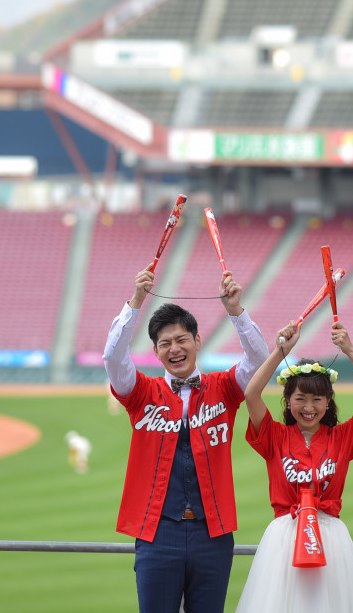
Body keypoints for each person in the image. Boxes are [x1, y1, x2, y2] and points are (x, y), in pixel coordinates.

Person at [103, 263, 270, 613]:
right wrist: (135, 301)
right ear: (155, 351)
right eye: (165, 343)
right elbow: (113, 357)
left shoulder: (225, 388)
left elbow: (258, 358)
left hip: (214, 534)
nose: (174, 349)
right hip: (157, 534)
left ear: (197, 341)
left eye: (182, 339)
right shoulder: (139, 392)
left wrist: (236, 311)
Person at [236, 319, 353, 612]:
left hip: (330, 538)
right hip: (283, 539)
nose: (308, 407)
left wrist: (350, 349)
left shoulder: (342, 437)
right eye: (300, 398)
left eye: (317, 399)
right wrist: (281, 352)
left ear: (328, 402)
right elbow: (250, 393)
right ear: (287, 400)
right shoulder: (274, 436)